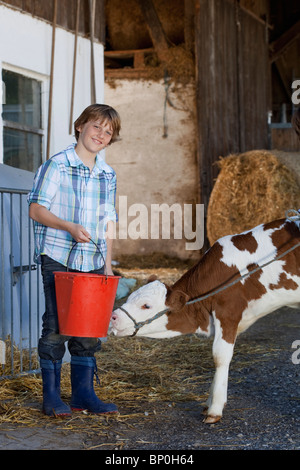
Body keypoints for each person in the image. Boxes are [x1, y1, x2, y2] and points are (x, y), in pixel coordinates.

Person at [27, 104, 121, 417]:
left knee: (88, 331)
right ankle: (52, 398)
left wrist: (107, 264)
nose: (101, 135)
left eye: (108, 132)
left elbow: (108, 223)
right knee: (56, 327)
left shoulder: (108, 175)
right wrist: (68, 227)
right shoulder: (58, 165)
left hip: (93, 260)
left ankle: (84, 395)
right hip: (58, 257)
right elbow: (36, 209)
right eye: (97, 127)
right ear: (80, 126)